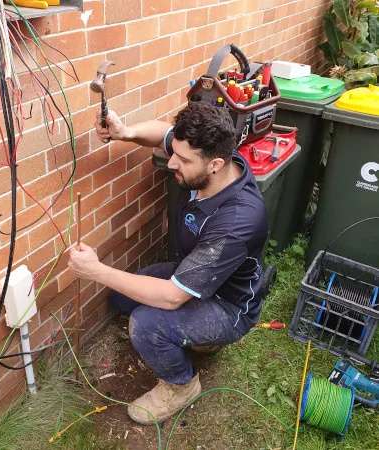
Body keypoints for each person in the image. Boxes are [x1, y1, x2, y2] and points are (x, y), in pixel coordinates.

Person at [68, 102, 268, 425]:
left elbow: (173, 297)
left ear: (215, 164)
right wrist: (125, 132)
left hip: (227, 307)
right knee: (121, 298)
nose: (171, 162)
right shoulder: (208, 160)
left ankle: (182, 384)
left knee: (145, 324)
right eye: (175, 151)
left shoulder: (236, 222)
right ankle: (194, 340)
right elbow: (165, 134)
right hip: (192, 270)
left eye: (182, 160)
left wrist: (96, 271)